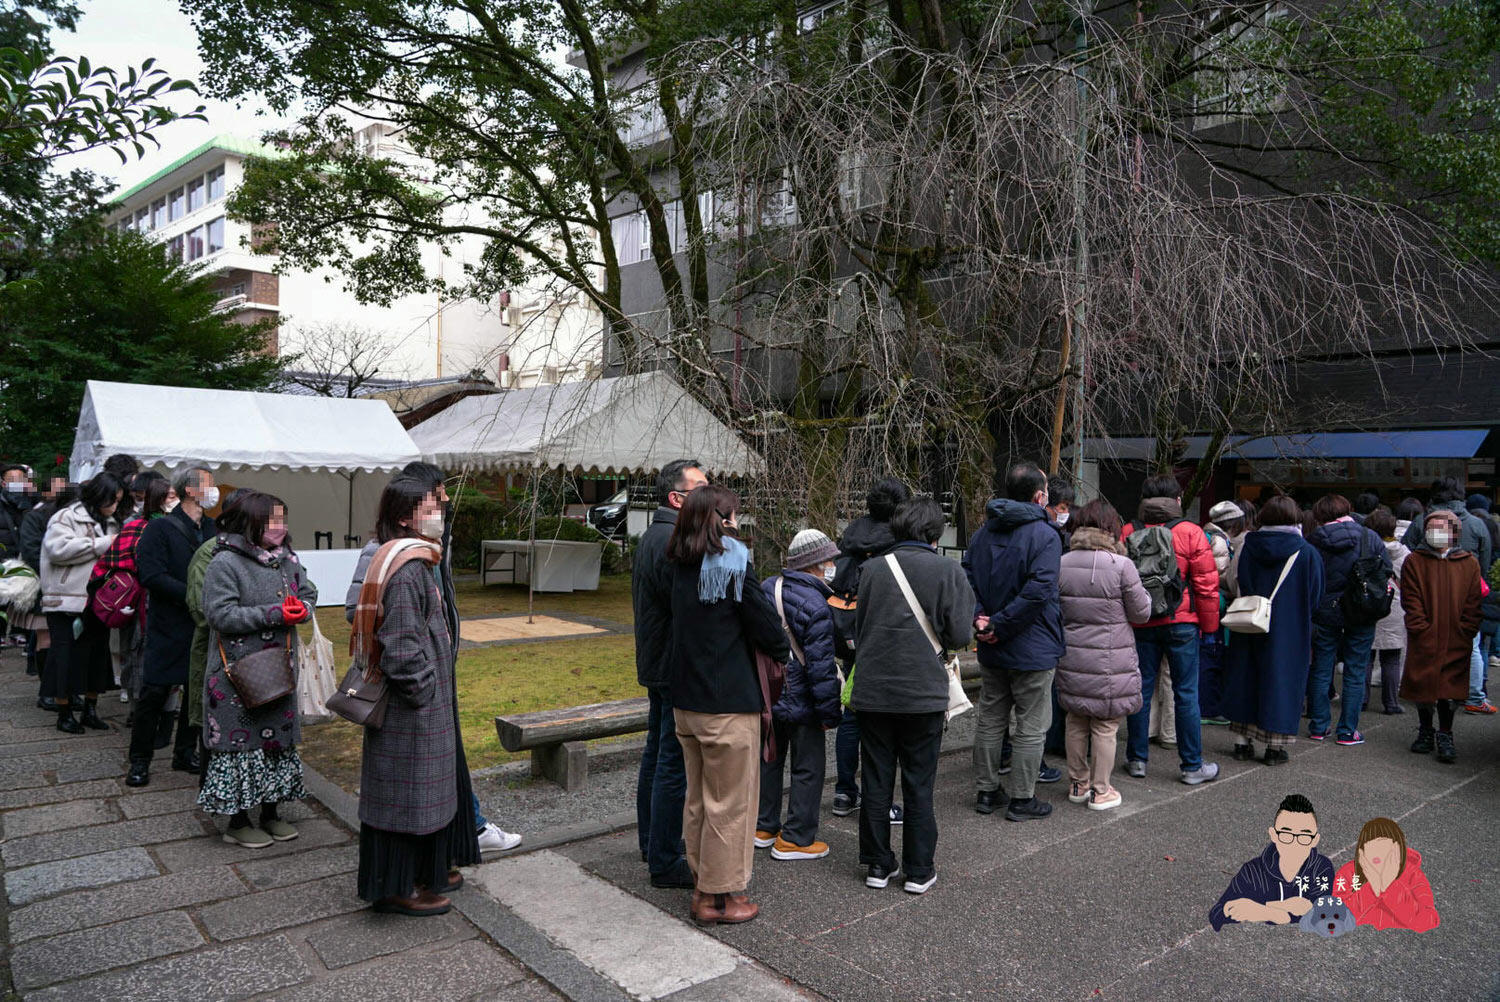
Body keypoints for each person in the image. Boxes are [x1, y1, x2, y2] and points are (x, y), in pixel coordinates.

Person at [345, 461, 521, 855]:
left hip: (436, 678)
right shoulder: (392, 558)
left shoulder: (431, 550)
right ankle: (461, 837)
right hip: (413, 690)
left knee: (442, 770)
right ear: (407, 512)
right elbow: (365, 614)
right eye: (435, 500)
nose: (444, 508)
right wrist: (423, 680)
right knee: (415, 782)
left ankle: (459, 842)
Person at [353, 478, 479, 916]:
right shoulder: (407, 568)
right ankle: (395, 887)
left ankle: (419, 874)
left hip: (423, 705)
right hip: (412, 709)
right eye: (429, 507)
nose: (439, 512)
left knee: (417, 796)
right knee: (404, 800)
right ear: (406, 517)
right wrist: (425, 691)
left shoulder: (414, 559)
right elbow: (402, 648)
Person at [667, 485, 788, 925]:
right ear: (723, 519)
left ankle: (703, 886)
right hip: (727, 705)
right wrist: (784, 653)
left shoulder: (678, 561)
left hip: (687, 702)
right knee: (731, 804)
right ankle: (721, 899)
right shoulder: (732, 561)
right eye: (735, 515)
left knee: (699, 801)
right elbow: (766, 625)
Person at [853, 498, 973, 893]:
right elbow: (959, 635)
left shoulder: (870, 569)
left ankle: (877, 864)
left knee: (875, 780)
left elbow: (859, 625)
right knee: (919, 782)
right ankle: (918, 869)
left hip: (874, 690)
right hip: (922, 691)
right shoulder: (947, 570)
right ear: (936, 534)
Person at [199, 491, 317, 847]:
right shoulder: (226, 562)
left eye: (282, 519)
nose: (279, 528)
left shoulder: (289, 560)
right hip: (237, 676)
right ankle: (237, 821)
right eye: (271, 521)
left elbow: (309, 593)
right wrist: (274, 613)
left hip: (279, 671)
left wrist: (303, 609)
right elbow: (218, 615)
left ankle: (271, 813)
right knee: (240, 749)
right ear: (248, 522)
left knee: (275, 745)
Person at [965, 462, 1065, 821]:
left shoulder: (982, 534)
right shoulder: (1045, 536)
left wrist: (983, 619)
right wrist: (1000, 623)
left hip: (993, 642)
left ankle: (987, 791)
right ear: (1040, 496)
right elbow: (1039, 592)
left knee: (991, 717)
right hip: (1031, 646)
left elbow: (968, 580)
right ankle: (1023, 797)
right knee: (1031, 724)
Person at [633, 458, 707, 888]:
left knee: (656, 755)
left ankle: (652, 842)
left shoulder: (656, 534)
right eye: (700, 487)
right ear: (677, 498)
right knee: (670, 762)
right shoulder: (670, 540)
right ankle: (663, 856)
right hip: (671, 665)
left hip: (657, 661)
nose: (709, 494)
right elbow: (689, 610)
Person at [1121, 475, 1221, 785]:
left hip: (1141, 622)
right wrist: (1209, 627)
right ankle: (1192, 766)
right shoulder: (1191, 532)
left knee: (1141, 690)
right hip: (1181, 623)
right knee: (1186, 694)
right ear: (1176, 500)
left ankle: (1136, 760)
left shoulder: (1128, 531)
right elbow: (1206, 586)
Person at [1055, 500, 1150, 811]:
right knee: (1106, 724)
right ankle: (1101, 790)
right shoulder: (1122, 566)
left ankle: (1077, 784)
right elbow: (1141, 612)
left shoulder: (1062, 562)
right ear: (1111, 528)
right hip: (1111, 660)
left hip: (1071, 656)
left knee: (1076, 719)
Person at [126, 468, 217, 787]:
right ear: (190, 490)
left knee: (197, 691)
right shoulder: (160, 528)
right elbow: (150, 575)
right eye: (208, 484)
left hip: (202, 624)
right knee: (154, 692)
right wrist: (192, 596)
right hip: (169, 622)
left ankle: (184, 752)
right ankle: (139, 759)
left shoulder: (211, 527)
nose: (213, 489)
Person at [755, 528, 842, 861]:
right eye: (829, 559)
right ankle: (796, 838)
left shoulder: (766, 588)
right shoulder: (817, 605)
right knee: (808, 768)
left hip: (769, 693)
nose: (833, 564)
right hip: (803, 701)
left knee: (770, 760)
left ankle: (763, 827)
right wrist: (829, 714)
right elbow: (820, 669)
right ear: (816, 565)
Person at [828, 477, 910, 822]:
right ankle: (881, 801)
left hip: (849, 634)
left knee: (852, 715)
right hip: (882, 636)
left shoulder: (851, 534)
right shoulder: (898, 540)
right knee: (882, 723)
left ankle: (845, 791)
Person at [1221, 495, 1324, 765]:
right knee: (1281, 681)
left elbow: (1235, 581)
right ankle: (1274, 747)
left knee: (1245, 677)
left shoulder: (1247, 546)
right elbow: (1315, 597)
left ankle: (1242, 742)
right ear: (1295, 518)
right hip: (1289, 628)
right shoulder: (1307, 552)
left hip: (1248, 622)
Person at [1399, 477, 1492, 714]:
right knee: (1470, 651)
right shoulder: (1476, 523)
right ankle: (1473, 696)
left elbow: (1406, 548)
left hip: (1429, 605)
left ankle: (1436, 722)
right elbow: (1485, 562)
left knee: (1428, 663)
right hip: (1460, 605)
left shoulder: (1421, 521)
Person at [40, 473, 123, 733]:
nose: (116, 505)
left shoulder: (111, 521)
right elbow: (57, 550)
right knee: (65, 657)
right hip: (65, 600)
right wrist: (101, 544)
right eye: (113, 500)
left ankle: (90, 709)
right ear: (100, 496)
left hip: (99, 600)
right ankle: (64, 713)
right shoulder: (66, 517)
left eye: (119, 500)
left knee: (97, 657)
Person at [1305, 493, 1390, 746]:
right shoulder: (1369, 537)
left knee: (1321, 668)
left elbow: (1308, 578)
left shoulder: (1313, 541)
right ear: (1348, 509)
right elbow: (1384, 570)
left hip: (1324, 611)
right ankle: (1347, 731)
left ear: (1319, 515)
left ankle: (1319, 726)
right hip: (1361, 611)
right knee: (1355, 670)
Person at [1400, 509, 1482, 764]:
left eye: (1441, 527)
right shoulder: (1415, 560)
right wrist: (1420, 627)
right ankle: (1426, 730)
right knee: (1423, 687)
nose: (1435, 532)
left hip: (1457, 637)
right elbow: (1410, 599)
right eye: (1431, 527)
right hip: (1425, 635)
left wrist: (1467, 628)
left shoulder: (1469, 562)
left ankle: (1445, 733)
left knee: (1450, 690)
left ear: (1454, 533)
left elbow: (1473, 600)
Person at [187, 489, 249, 788]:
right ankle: (214, 792)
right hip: (220, 655)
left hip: (258, 660)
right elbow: (203, 610)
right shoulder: (211, 552)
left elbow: (303, 588)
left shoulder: (269, 553)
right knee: (215, 726)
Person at [1209, 794, 1334, 930]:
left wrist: (1265, 910)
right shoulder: (1252, 871)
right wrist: (1276, 911)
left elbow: (1324, 915)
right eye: (1286, 834)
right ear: (1273, 835)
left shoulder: (1321, 868)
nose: (1295, 844)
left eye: (1304, 836)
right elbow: (1217, 914)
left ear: (1315, 840)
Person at [104, 472, 171, 707]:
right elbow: (118, 559)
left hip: (168, 598)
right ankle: (136, 699)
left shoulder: (179, 524)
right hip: (137, 597)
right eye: (169, 496)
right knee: (135, 648)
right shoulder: (133, 525)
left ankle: (163, 703)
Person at [1333, 818, 1440, 932]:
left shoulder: (1412, 875)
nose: (1376, 852)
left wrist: (1390, 886)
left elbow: (1427, 921)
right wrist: (1371, 888)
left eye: (1382, 845)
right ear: (1362, 852)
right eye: (1370, 846)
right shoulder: (1349, 873)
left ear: (1397, 849)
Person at [21, 484, 74, 703]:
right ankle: (47, 690)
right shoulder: (36, 517)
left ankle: (62, 688)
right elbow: (31, 550)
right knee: (46, 637)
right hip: (43, 583)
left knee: (66, 640)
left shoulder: (74, 520)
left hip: (70, 587)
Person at [1200, 500, 1246, 725]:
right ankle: (1209, 709)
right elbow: (1219, 577)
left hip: (1208, 604)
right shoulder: (1219, 541)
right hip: (1215, 604)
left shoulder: (1207, 534)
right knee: (1213, 655)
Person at [1364, 508, 1409, 716]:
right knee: (1391, 658)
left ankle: (1361, 700)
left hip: (1367, 606)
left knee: (1365, 656)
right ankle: (1390, 703)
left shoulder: (1364, 550)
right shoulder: (1405, 554)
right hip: (1395, 607)